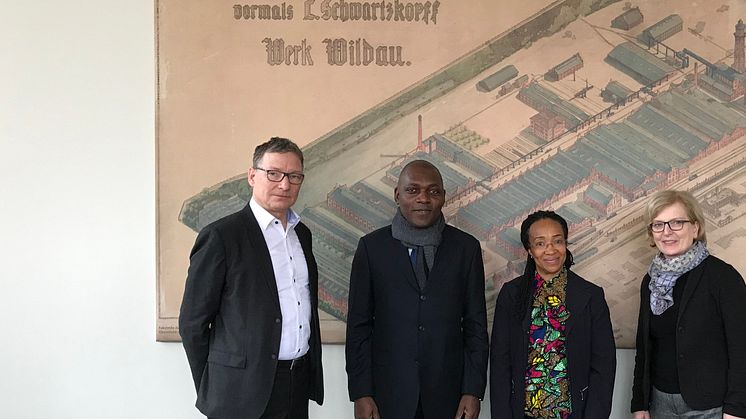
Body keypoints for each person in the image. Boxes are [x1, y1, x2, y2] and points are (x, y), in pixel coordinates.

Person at [179, 137, 323, 419]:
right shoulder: (221, 236)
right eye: (274, 174)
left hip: (296, 381)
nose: (284, 184)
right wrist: (214, 386)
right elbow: (192, 323)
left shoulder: (301, 235)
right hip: (240, 393)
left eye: (294, 176)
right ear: (252, 175)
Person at [345, 160, 489, 419]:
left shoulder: (465, 249)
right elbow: (359, 327)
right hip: (387, 395)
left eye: (433, 191)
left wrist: (473, 390)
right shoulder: (372, 248)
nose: (423, 198)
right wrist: (360, 393)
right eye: (413, 190)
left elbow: (475, 326)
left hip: (449, 395)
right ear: (397, 195)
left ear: (443, 197)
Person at [631, 190, 746, 419]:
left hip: (710, 407)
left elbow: (742, 347)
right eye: (659, 225)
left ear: (695, 227)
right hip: (660, 404)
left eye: (676, 223)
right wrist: (640, 403)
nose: (667, 232)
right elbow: (645, 348)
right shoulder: (651, 280)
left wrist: (737, 408)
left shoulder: (722, 277)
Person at [490, 210, 616, 419]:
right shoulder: (511, 295)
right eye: (540, 243)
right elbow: (500, 363)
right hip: (523, 413)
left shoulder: (590, 296)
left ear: (565, 244)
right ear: (529, 250)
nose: (551, 250)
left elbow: (604, 365)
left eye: (557, 241)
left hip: (574, 413)